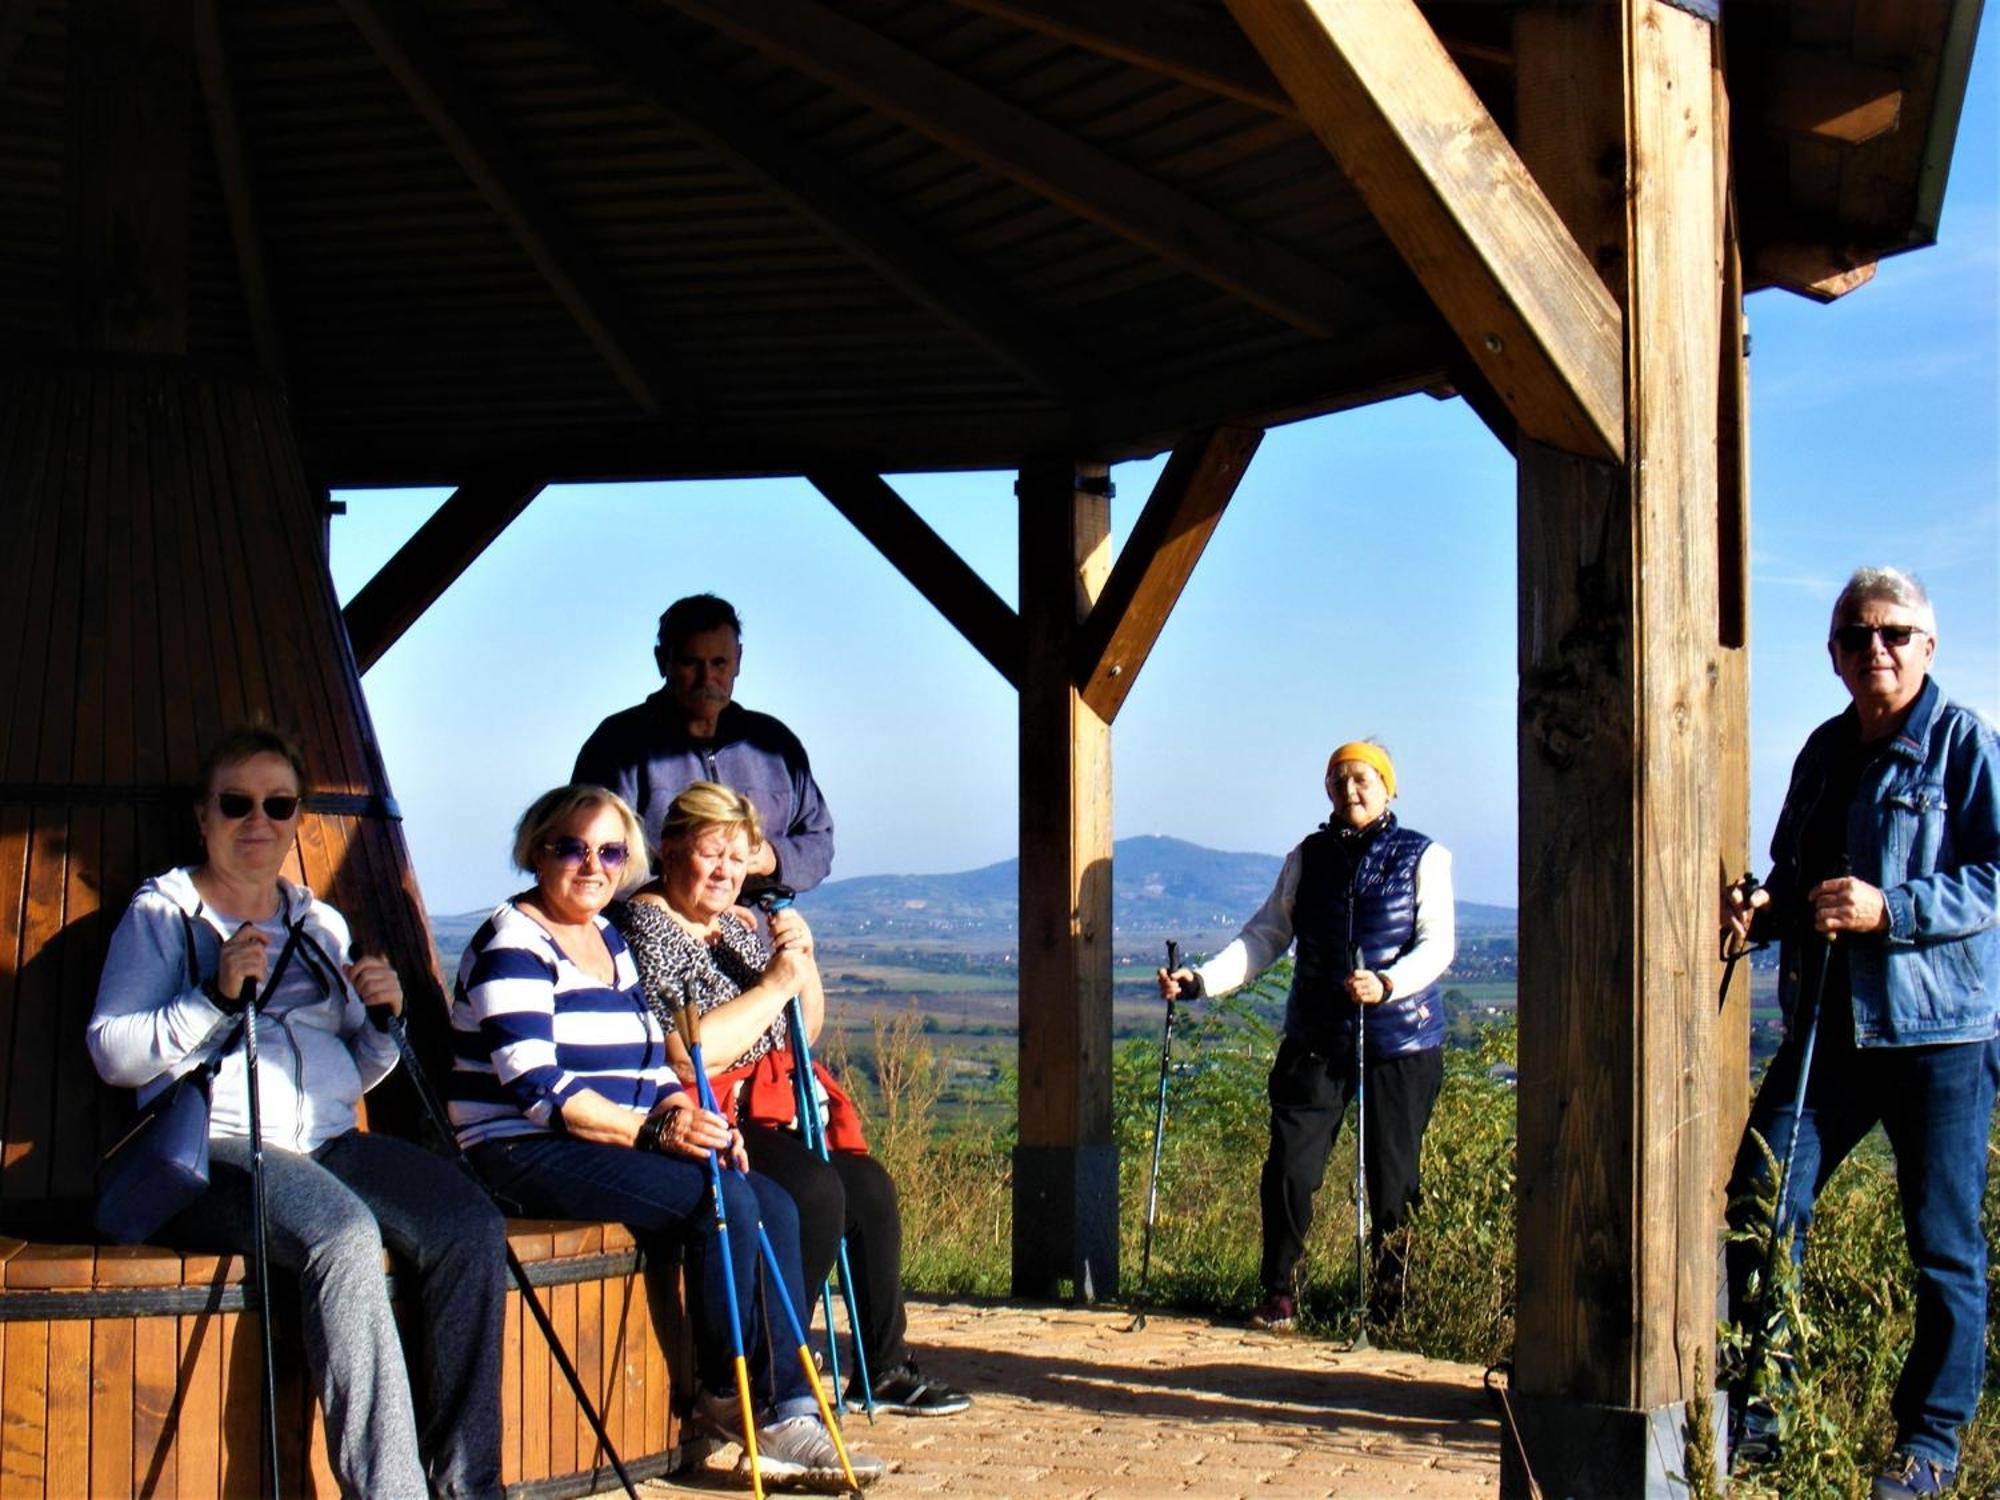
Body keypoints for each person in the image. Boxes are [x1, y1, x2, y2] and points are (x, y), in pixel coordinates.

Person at [87, 726, 506, 1499]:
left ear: (297, 819)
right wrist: (211, 997)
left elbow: (360, 1065)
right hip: (216, 1151)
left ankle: (471, 1483)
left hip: (331, 1139)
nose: (259, 821)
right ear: (202, 816)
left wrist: (387, 1020)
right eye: (237, 803)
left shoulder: (319, 924)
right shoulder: (165, 916)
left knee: (469, 1225)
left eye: (278, 805)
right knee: (342, 1235)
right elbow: (113, 1050)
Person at [447, 784, 883, 1489]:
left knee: (765, 1196)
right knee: (722, 1204)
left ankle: (790, 1406)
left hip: (599, 1136)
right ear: (535, 851)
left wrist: (694, 1117)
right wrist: (656, 1132)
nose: (593, 865)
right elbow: (537, 1091)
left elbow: (652, 1062)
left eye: (610, 851)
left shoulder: (608, 941)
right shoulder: (513, 942)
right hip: (515, 1150)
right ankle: (727, 1393)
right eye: (572, 848)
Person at [1721, 567, 1997, 1498]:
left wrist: (1894, 909)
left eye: (1892, 631)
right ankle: (1767, 1417)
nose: (1873, 648)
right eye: (1854, 635)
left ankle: (1928, 1450)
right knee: (1762, 1202)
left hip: (1941, 1033)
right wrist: (1763, 906)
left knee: (1943, 1249)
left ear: (1928, 643)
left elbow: (1997, 876)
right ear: (1834, 654)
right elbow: (1795, 875)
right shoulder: (1823, 751)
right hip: (1830, 1027)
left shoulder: (1966, 745)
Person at [612, 782, 969, 1417]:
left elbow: (801, 1029)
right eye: (710, 853)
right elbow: (690, 1048)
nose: (726, 871)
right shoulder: (646, 928)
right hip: (706, 1111)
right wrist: (776, 983)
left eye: (738, 856)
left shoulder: (731, 926)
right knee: (812, 1190)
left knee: (868, 1188)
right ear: (669, 851)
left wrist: (803, 966)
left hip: (769, 1103)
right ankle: (778, 1365)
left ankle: (880, 1366)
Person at [1159, 740, 1455, 1333]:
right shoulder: (1306, 857)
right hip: (1316, 1038)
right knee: (1290, 1169)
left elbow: (1438, 944)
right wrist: (1200, 982)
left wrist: (1388, 983)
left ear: (1387, 787)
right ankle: (1279, 1292)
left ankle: (1393, 1309)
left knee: (1394, 1181)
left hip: (1399, 1041)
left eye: (1362, 780)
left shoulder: (1425, 856)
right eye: (1339, 780)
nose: (1350, 790)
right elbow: (1265, 937)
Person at [574, 594, 834, 896]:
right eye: (691, 663)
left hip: (761, 934)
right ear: (662, 661)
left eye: (719, 663)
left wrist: (772, 857)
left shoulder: (775, 746)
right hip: (654, 934)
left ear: (738, 661)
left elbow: (819, 841)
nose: (706, 677)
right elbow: (592, 856)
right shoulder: (618, 745)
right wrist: (679, 906)